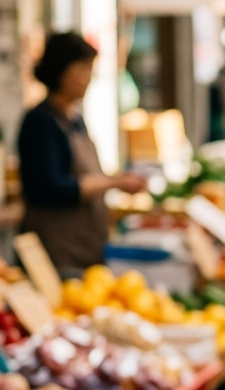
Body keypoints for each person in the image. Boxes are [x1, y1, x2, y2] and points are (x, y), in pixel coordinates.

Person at [18, 33, 147, 272]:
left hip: (86, 246)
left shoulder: (75, 118)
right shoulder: (40, 122)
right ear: (61, 70)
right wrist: (112, 182)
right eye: (82, 69)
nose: (87, 78)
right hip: (57, 251)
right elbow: (50, 188)